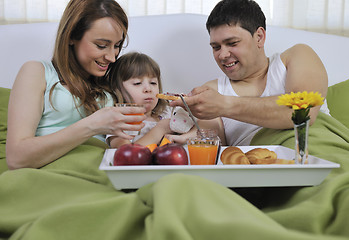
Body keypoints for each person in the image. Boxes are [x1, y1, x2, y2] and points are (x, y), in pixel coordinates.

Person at [6, 0, 146, 169]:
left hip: (104, 173)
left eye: (117, 46)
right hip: (53, 174)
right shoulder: (37, 72)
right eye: (101, 45)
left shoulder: (111, 82)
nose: (112, 57)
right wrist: (93, 125)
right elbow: (16, 158)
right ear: (72, 36)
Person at [170, 0, 329, 146]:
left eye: (232, 43)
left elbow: (302, 111)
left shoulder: (297, 56)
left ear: (259, 37)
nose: (223, 55)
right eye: (216, 47)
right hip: (265, 166)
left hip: (323, 151)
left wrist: (225, 105)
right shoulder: (211, 92)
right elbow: (213, 149)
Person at [107, 51, 194, 148]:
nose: (148, 89)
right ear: (117, 89)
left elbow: (202, 129)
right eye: (137, 83)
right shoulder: (119, 121)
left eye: (153, 83)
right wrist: (160, 129)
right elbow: (123, 153)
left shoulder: (168, 112)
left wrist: (188, 111)